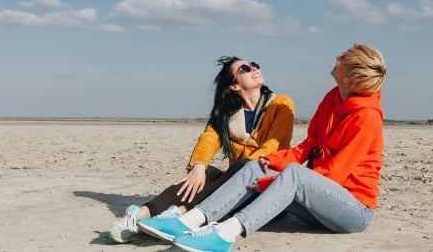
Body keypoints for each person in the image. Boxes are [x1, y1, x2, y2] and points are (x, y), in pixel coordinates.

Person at [137, 44, 386, 252]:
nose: (338, 57)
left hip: (352, 211)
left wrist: (270, 183)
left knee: (293, 175)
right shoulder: (333, 98)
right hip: (317, 203)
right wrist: (271, 162)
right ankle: (188, 221)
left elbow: (333, 175)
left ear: (348, 77)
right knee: (257, 165)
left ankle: (224, 234)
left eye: (344, 58)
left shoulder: (366, 117)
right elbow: (308, 147)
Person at [103, 56, 295, 243]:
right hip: (231, 188)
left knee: (242, 165)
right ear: (234, 86)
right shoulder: (228, 114)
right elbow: (209, 138)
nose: (254, 68)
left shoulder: (281, 104)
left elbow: (273, 146)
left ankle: (181, 213)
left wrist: (231, 176)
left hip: (262, 187)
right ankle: (138, 217)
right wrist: (199, 166)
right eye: (245, 69)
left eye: (253, 65)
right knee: (208, 172)